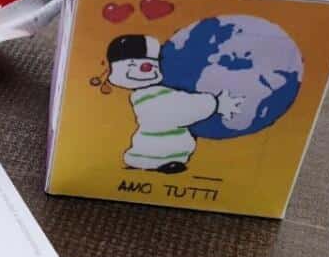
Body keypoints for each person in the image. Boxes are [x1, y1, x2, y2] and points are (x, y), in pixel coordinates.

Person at [94, 34, 241, 174]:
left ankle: (151, 161)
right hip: (163, 148)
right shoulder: (153, 97)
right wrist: (215, 102)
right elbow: (184, 108)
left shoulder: (145, 95)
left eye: (153, 64)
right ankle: (160, 162)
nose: (147, 68)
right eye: (132, 64)